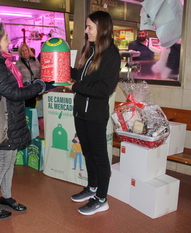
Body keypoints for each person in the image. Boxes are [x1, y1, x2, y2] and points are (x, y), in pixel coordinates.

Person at [0, 22, 54, 220]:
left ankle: (6, 197)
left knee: (9, 162)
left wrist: (36, 84)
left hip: (11, 118)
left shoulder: (1, 62)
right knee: (1, 163)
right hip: (4, 121)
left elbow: (12, 86)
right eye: (6, 37)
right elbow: (13, 93)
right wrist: (38, 88)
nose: (9, 40)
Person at [65, 11, 120, 216]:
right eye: (86, 27)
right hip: (80, 113)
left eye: (89, 27)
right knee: (87, 153)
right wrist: (61, 66)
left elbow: (104, 89)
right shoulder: (90, 51)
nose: (86, 31)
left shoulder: (112, 54)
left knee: (99, 156)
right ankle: (92, 187)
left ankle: (102, 198)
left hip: (95, 115)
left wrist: (76, 87)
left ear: (101, 29)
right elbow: (81, 76)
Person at [16, 43, 41, 108]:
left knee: (33, 104)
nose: (24, 52)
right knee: (26, 105)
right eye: (22, 50)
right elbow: (16, 75)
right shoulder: (19, 62)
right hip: (24, 87)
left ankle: (31, 117)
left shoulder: (35, 60)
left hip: (34, 86)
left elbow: (40, 71)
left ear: (29, 50)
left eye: (25, 50)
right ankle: (26, 117)